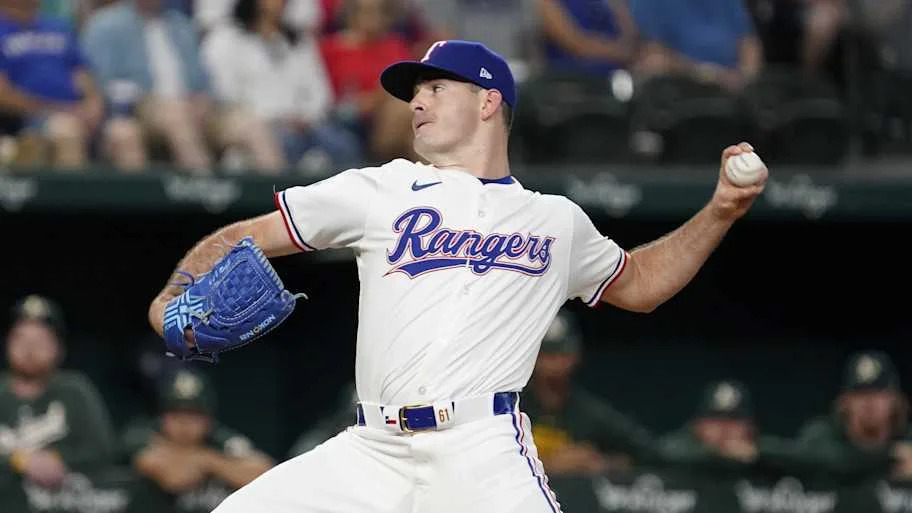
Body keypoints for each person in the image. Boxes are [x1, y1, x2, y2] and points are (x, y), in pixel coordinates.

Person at [146, 39, 767, 513]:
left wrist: (720, 212)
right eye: (415, 93)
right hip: (371, 450)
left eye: (436, 88)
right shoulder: (380, 188)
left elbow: (639, 283)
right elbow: (246, 236)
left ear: (489, 100)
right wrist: (174, 291)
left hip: (481, 449)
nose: (416, 102)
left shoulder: (555, 221)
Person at [0, 295, 116, 511]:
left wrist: (57, 458)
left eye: (41, 341)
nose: (30, 349)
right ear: (7, 343)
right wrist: (19, 462)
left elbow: (103, 449)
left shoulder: (75, 390)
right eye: (21, 339)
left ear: (59, 349)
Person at [521, 308, 656, 476]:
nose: (556, 364)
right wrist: (548, 462)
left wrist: (600, 463)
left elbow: (648, 453)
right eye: (547, 355)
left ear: (576, 355)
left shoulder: (590, 412)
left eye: (562, 354)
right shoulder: (510, 407)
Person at [123, 368, 273, 513]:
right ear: (162, 417)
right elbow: (176, 478)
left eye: (193, 415)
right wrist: (221, 464)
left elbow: (265, 474)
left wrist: (207, 460)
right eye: (176, 414)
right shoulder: (142, 434)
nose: (184, 424)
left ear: (208, 420)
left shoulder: (220, 438)